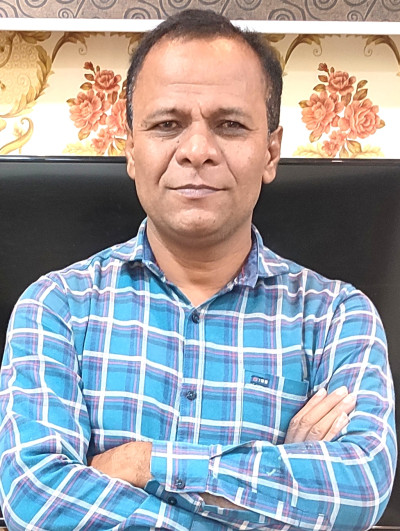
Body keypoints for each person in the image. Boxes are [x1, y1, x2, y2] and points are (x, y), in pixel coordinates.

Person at [0, 9, 396, 531]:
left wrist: (143, 464)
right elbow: (34, 498)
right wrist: (277, 488)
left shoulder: (337, 318)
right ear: (131, 150)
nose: (197, 151)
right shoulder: (56, 308)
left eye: (229, 125)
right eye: (167, 125)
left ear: (271, 152)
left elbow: (360, 486)